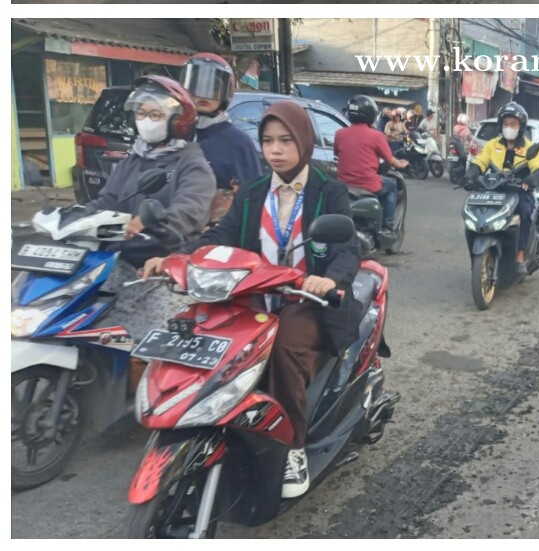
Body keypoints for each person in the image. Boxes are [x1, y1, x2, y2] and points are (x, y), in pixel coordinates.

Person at [142, 101, 362, 500]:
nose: (275, 150)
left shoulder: (328, 191)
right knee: (204, 338)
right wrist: (177, 259)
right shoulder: (254, 192)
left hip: (305, 302)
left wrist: (327, 280)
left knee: (284, 350)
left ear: (305, 142)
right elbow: (219, 237)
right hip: (251, 299)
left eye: (285, 140)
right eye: (267, 141)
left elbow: (347, 248)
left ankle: (293, 447)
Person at [82, 77, 217, 341]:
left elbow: (187, 212)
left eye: (156, 114)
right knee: (82, 322)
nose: (146, 120)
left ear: (177, 121)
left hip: (164, 269)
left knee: (156, 342)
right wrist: (74, 217)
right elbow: (107, 200)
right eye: (142, 113)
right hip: (119, 263)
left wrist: (151, 221)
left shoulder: (192, 165)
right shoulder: (133, 161)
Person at [179, 53, 262, 222]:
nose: (203, 95)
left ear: (226, 93)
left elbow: (253, 199)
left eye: (212, 88)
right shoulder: (176, 135)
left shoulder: (238, 143)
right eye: (196, 86)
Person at [465, 102, 539, 276]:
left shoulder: (530, 148)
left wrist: (530, 180)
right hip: (493, 191)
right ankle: (476, 258)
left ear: (521, 126)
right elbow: (479, 162)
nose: (509, 127)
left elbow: (538, 169)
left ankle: (520, 256)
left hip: (519, 192)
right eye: (506, 124)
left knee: (524, 212)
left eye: (513, 124)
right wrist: (471, 175)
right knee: (472, 215)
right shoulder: (492, 145)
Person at [335, 94, 409, 233]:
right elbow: (390, 160)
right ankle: (388, 225)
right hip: (368, 184)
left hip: (344, 185)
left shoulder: (339, 134)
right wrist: (402, 164)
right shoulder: (376, 136)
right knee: (392, 186)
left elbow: (337, 153)